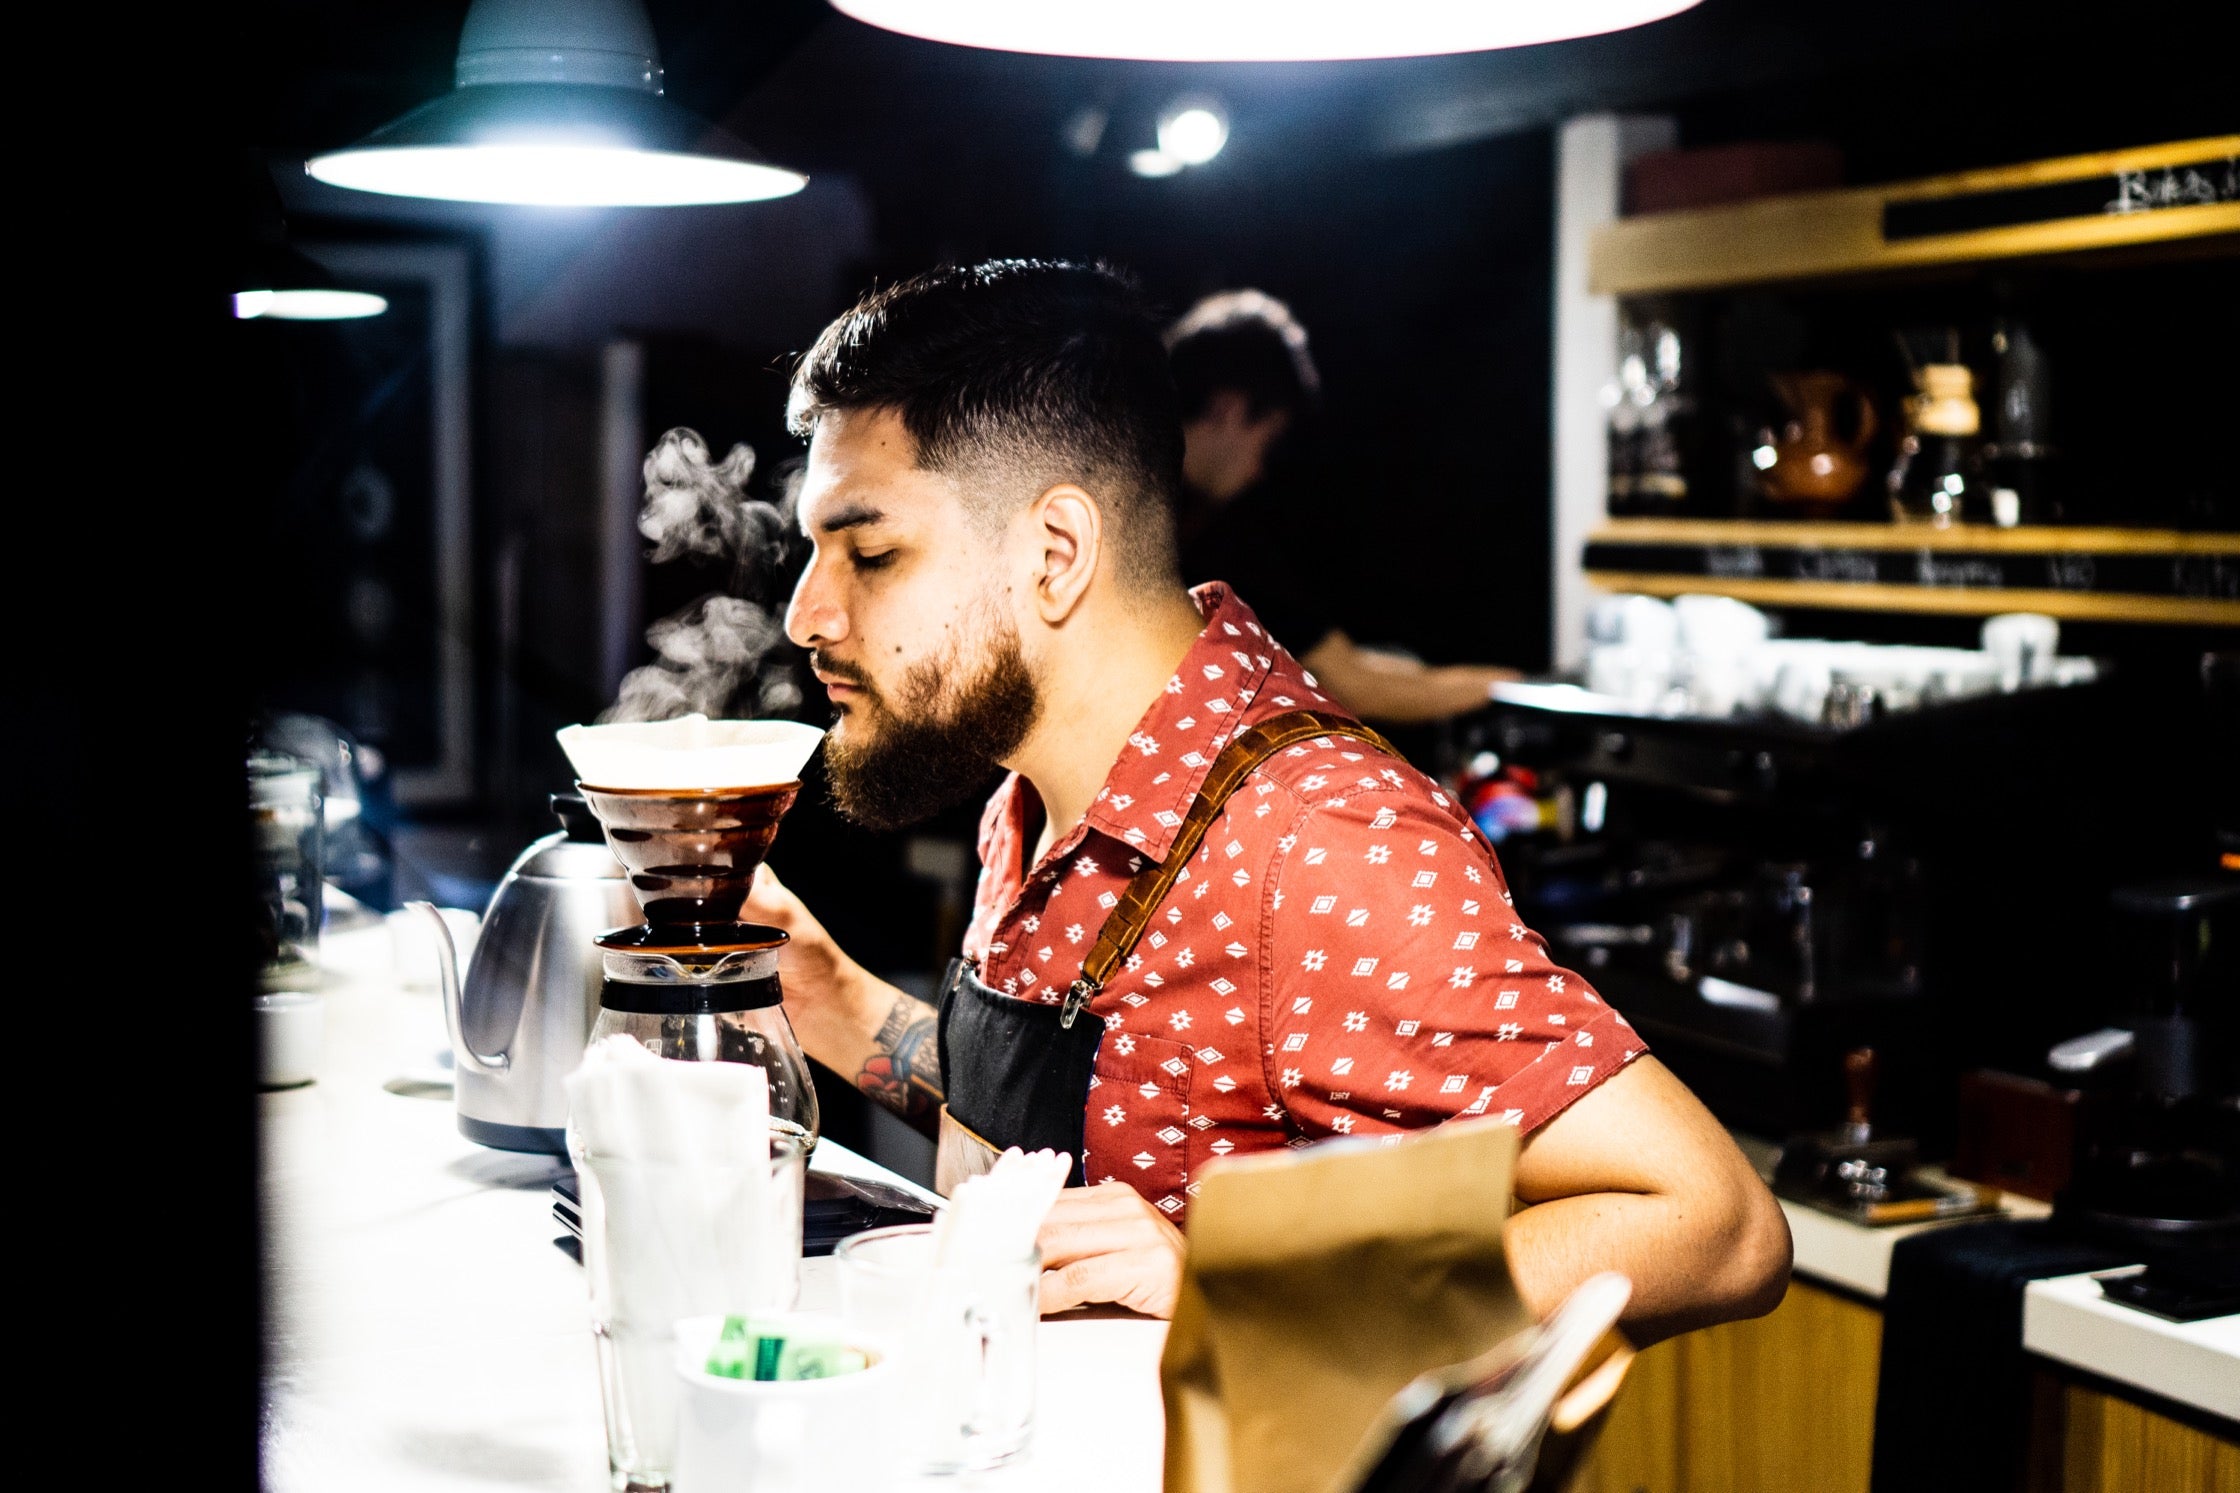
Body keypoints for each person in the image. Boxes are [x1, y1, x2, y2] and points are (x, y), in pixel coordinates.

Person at [747, 260, 1789, 1340]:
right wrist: (831, 999)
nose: (805, 613)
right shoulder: (1031, 795)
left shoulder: (1319, 841)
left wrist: (1231, 1285)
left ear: (1053, 555)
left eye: (869, 551)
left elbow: (1716, 1224)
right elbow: (1075, 1131)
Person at [1168, 290, 1523, 723]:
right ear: (1228, 409)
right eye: (1268, 440)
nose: (1260, 469)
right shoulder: (1206, 540)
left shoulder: (1160, 503)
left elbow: (1338, 660)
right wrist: (1513, 690)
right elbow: (1350, 685)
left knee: (1401, 659)